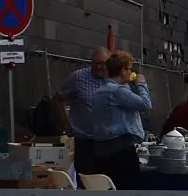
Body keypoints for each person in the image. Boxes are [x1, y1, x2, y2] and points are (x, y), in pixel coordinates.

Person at [84, 51, 150, 188]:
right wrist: (141, 84)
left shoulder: (100, 92)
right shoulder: (117, 92)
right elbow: (145, 104)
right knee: (128, 191)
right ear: (122, 71)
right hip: (121, 151)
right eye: (129, 68)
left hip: (102, 151)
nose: (131, 72)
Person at [58, 48, 110, 174]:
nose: (98, 67)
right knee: (85, 178)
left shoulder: (115, 79)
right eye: (95, 63)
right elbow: (58, 99)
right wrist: (66, 123)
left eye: (102, 63)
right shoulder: (78, 77)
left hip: (108, 142)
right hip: (84, 141)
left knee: (106, 180)